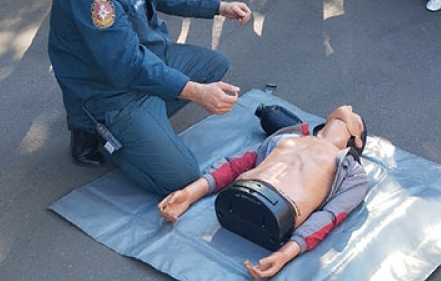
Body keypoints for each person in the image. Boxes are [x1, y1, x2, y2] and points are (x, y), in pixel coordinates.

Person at [47, 0, 252, 188]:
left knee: (214, 66)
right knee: (182, 177)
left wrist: (219, 6)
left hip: (144, 59)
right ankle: (104, 133)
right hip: (111, 92)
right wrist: (196, 92)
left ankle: (147, 120)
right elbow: (126, 64)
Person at [157, 105, 368, 279]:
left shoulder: (352, 171)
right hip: (236, 195)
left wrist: (285, 255)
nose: (347, 106)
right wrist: (189, 194)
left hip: (278, 214)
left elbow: (329, 216)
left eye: (353, 112)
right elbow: (234, 165)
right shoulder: (288, 136)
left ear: (357, 139)